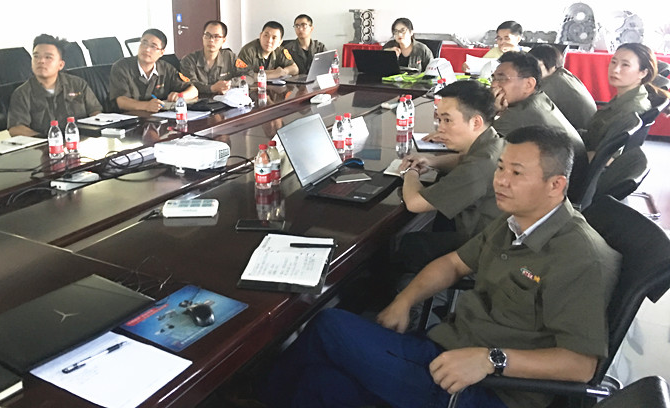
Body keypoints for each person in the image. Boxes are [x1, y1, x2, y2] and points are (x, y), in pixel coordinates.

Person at [264, 126, 621, 408]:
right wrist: (404, 300)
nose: (501, 180)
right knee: (320, 383)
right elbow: (453, 264)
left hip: (487, 388)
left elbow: (581, 365)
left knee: (329, 326)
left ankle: (260, 395)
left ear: (556, 185)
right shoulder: (516, 219)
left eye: (516, 172)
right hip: (449, 350)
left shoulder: (579, 256)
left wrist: (492, 360)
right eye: (500, 167)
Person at [395, 80, 504, 270]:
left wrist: (410, 171)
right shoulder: (493, 142)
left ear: (476, 122)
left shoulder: (478, 167)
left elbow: (414, 203)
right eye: (439, 120)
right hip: (495, 232)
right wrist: (431, 161)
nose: (440, 128)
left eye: (447, 120)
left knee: (408, 244)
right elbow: (462, 159)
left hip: (483, 247)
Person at [490, 52, 586, 165]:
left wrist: (492, 112)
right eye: (493, 78)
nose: (493, 85)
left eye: (502, 79)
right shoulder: (539, 99)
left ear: (529, 84)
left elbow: (484, 151)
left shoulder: (517, 116)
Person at [583, 42, 670, 157]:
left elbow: (607, 158)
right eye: (613, 62)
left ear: (643, 73)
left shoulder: (629, 109)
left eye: (625, 65)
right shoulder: (629, 96)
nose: (615, 69)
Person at [7, 34, 102, 137]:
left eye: (48, 57)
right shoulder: (22, 93)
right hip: (44, 144)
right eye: (36, 56)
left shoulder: (78, 84)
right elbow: (16, 128)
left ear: (60, 65)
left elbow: (95, 111)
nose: (41, 61)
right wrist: (48, 140)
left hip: (81, 140)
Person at [109, 28, 197, 113]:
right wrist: (146, 106)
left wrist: (180, 96)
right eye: (144, 43)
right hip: (130, 118)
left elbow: (193, 90)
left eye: (153, 46)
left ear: (161, 52)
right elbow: (121, 101)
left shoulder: (166, 68)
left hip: (159, 118)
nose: (147, 49)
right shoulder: (121, 67)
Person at [528, 44, 597, 131]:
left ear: (552, 65)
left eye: (536, 66)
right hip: (587, 128)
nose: (530, 70)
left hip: (582, 133)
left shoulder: (551, 84)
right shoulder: (563, 74)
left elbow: (531, 108)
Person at [180, 20, 241, 96]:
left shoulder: (230, 57)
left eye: (216, 37)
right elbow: (189, 84)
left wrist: (229, 83)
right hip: (199, 101)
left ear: (223, 40)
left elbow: (249, 75)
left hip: (225, 100)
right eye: (207, 35)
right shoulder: (188, 61)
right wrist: (212, 88)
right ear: (203, 37)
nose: (211, 40)